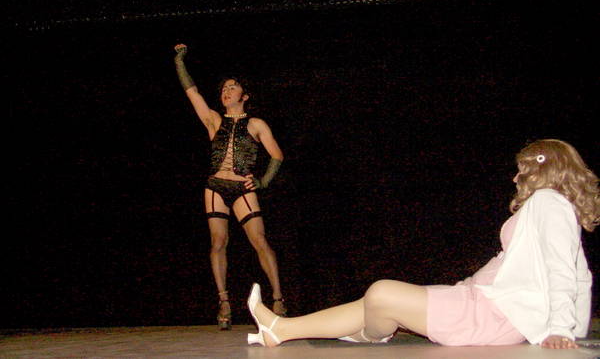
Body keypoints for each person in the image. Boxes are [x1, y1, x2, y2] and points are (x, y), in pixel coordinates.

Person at [246, 139, 598, 349]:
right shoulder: (547, 205)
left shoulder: (548, 201)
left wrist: (560, 329)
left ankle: (371, 333)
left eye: (522, 169)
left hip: (495, 315)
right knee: (375, 300)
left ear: (543, 169)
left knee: (382, 293)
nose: (516, 176)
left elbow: (561, 269)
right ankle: (281, 329)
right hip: (484, 303)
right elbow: (560, 270)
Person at [172, 43, 287, 330]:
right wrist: (179, 62)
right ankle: (223, 301)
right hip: (215, 186)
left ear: (244, 96)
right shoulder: (214, 120)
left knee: (259, 241)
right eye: (224, 88)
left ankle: (278, 299)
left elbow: (277, 155)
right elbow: (192, 93)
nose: (226, 91)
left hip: (242, 188)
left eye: (232, 87)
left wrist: (263, 181)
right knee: (218, 242)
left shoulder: (256, 124)